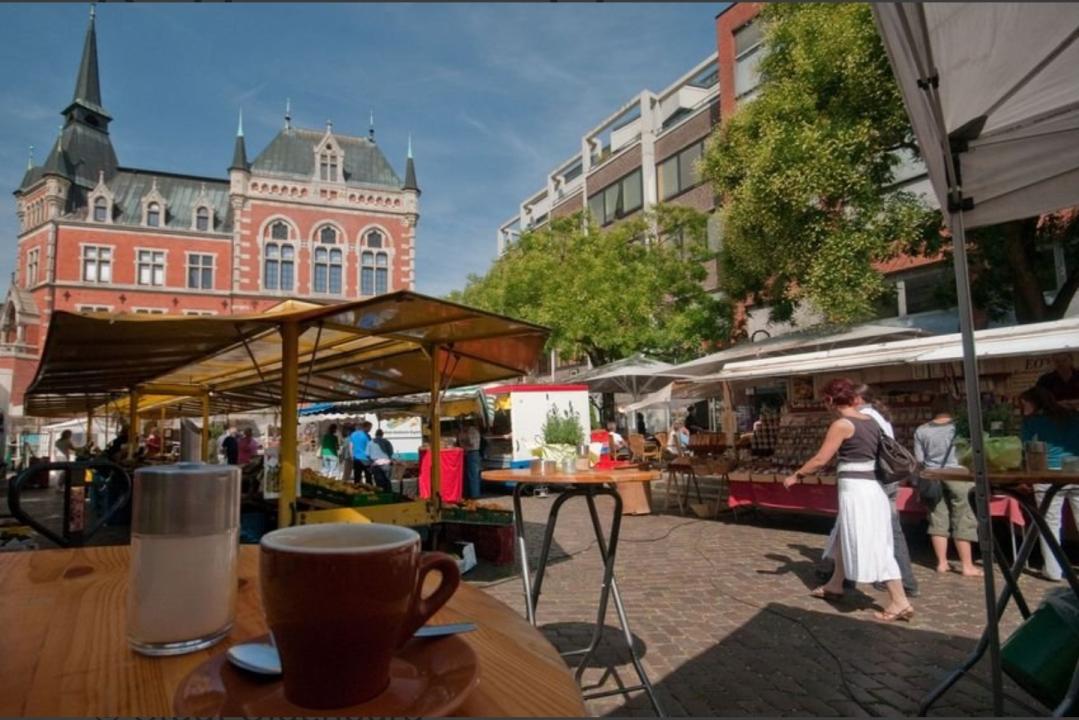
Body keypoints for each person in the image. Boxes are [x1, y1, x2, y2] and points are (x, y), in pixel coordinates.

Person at [783, 378, 913, 622]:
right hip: (871, 487)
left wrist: (796, 475)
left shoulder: (842, 424)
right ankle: (835, 583)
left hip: (857, 491)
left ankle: (899, 600)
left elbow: (821, 459)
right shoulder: (871, 422)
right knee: (845, 536)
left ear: (830, 401)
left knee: (872, 543)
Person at [853, 385, 921, 595]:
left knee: (884, 529)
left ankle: (899, 580)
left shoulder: (864, 416)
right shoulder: (880, 415)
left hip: (877, 477)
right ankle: (902, 578)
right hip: (889, 476)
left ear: (857, 398)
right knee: (891, 528)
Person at [914, 396, 981, 577]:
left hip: (933, 476)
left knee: (937, 518)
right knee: (963, 517)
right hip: (959, 474)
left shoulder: (921, 430)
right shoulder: (960, 428)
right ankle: (967, 565)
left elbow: (919, 459)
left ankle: (942, 563)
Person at [1019, 386, 1079, 582]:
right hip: (1075, 471)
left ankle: (1053, 570)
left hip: (1047, 475)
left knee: (1050, 523)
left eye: (1024, 404)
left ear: (1033, 403)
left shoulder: (1032, 422)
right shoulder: (1071, 417)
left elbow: (1026, 448)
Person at [460, 419, 483, 499]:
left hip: (473, 453)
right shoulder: (462, 431)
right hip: (466, 453)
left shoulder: (473, 431)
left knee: (473, 474)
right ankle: (468, 493)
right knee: (467, 474)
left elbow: (472, 444)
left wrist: (464, 444)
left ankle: (475, 495)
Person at [367, 429, 393, 493]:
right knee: (387, 480)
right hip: (386, 463)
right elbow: (391, 452)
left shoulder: (370, 442)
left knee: (379, 482)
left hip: (376, 463)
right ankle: (388, 495)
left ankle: (381, 495)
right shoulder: (387, 442)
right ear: (382, 434)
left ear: (375, 435)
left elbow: (367, 454)